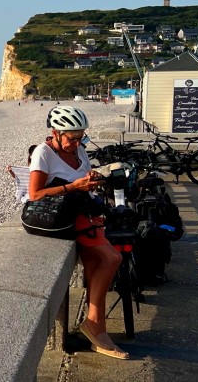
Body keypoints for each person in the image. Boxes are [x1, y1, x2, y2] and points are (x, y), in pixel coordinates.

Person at [28, 105, 128, 360]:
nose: (77, 143)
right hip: (64, 217)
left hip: (83, 212)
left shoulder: (80, 150)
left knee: (97, 262)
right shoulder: (43, 153)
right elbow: (35, 194)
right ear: (55, 133)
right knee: (112, 258)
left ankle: (96, 325)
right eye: (71, 138)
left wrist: (91, 177)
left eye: (81, 137)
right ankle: (94, 323)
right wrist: (74, 186)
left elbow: (83, 177)